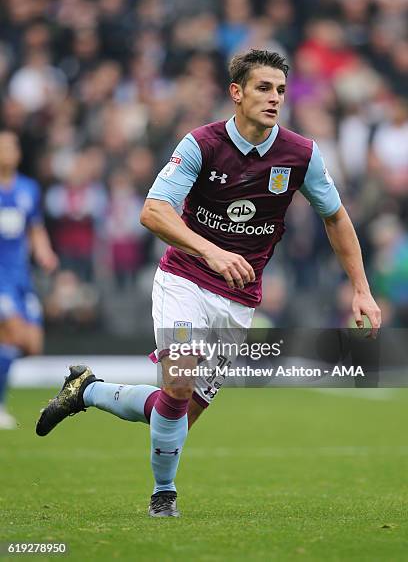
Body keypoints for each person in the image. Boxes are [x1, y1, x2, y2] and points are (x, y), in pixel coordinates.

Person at [36, 50, 381, 516]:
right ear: (236, 93)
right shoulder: (202, 144)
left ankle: (88, 390)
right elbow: (153, 211)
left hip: (238, 302)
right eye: (263, 88)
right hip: (185, 280)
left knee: (176, 408)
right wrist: (213, 252)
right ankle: (164, 495)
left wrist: (361, 289)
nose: (274, 98)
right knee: (178, 383)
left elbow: (336, 218)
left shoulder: (300, 155)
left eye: (280, 89)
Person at [0, 130, 58, 429]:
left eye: (13, 146)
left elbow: (34, 228)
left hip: (20, 275)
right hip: (0, 278)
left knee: (32, 344)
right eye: (4, 146)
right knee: (12, 334)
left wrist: (45, 253)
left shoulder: (28, 188)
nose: (10, 151)